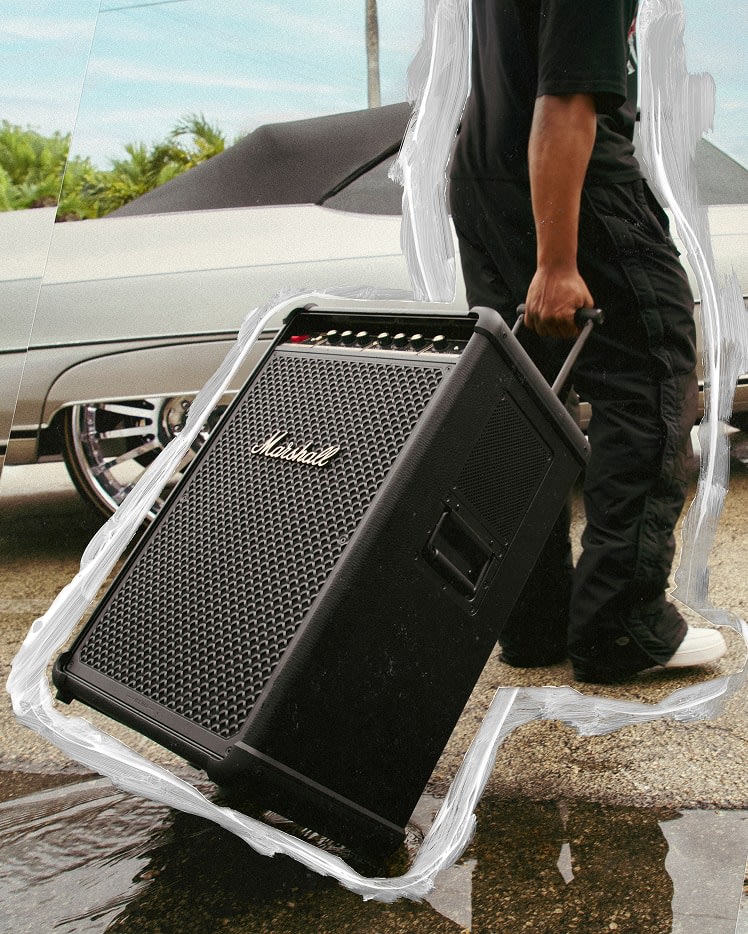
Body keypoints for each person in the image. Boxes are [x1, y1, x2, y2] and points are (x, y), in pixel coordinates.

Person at [448, 0, 726, 683]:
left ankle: (535, 621)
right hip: (572, 183)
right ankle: (619, 627)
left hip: (486, 178)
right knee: (652, 377)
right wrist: (557, 261)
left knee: (523, 405)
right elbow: (566, 94)